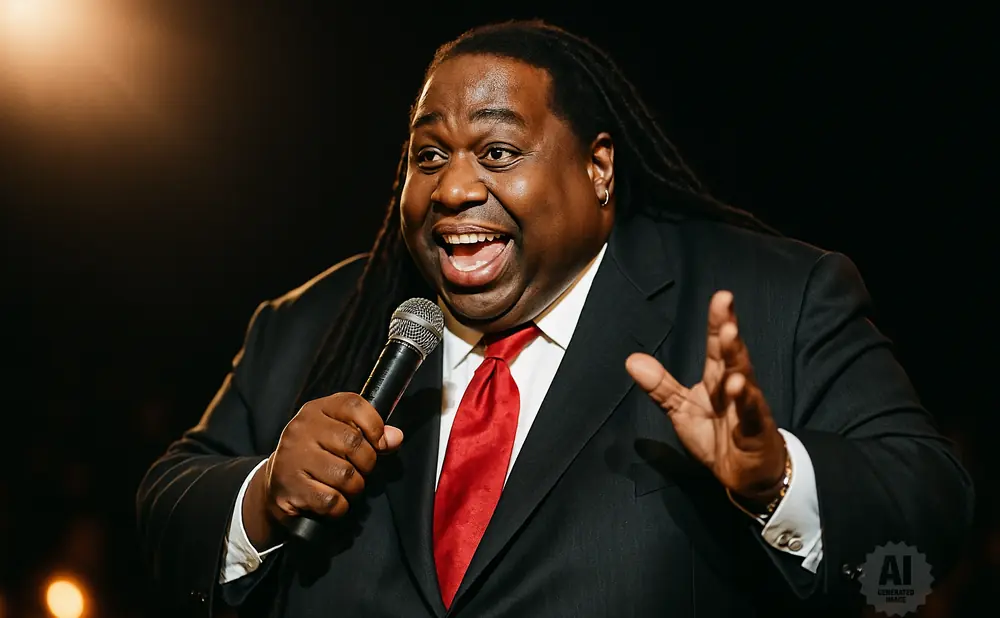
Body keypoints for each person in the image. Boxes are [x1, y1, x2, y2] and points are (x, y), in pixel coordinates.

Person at [136, 19, 975, 617]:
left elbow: (930, 513)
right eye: (429, 156)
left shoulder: (775, 296)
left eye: (498, 152)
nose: (455, 188)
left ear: (600, 169)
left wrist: (777, 481)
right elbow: (166, 504)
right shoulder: (310, 322)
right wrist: (263, 497)